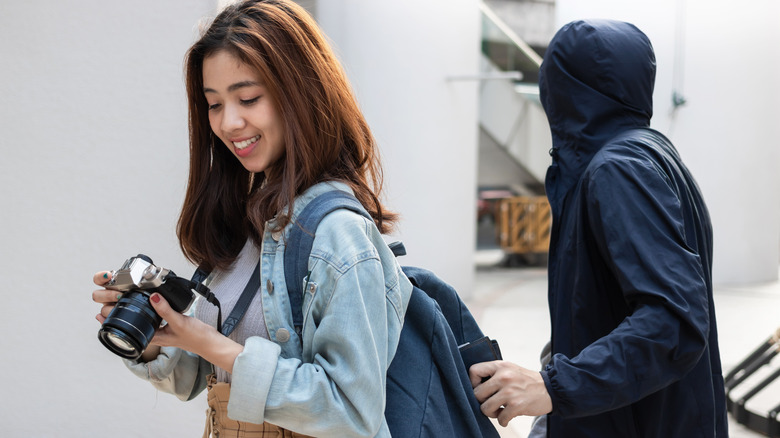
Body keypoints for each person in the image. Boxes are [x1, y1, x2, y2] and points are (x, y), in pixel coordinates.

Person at [91, 1, 412, 436]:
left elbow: (351, 411)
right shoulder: (251, 220)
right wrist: (155, 334)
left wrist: (214, 346)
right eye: (214, 104)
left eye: (247, 98)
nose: (229, 122)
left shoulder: (339, 233)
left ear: (301, 93)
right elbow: (196, 378)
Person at [469, 19, 728, 437]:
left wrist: (553, 385)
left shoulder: (618, 169)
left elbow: (674, 322)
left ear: (560, 89)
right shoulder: (654, 154)